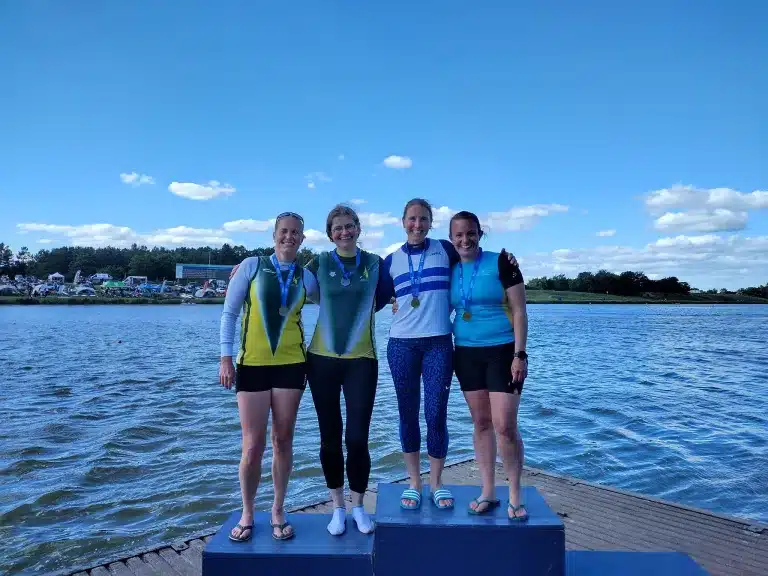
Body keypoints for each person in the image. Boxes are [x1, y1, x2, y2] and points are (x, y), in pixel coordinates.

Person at [381, 198, 518, 511]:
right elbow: (368, 298)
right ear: (403, 222)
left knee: (435, 413)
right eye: (412, 219)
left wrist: (508, 261)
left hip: (439, 344)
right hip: (401, 344)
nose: (417, 225)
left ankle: (436, 482)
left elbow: (476, 257)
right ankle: (414, 482)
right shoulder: (390, 261)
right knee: (407, 413)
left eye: (423, 219)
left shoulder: (445, 248)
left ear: (431, 222)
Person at [218, 211, 319, 542]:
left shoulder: (307, 277)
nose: (289, 237)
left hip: (292, 364)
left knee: (283, 440)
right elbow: (230, 313)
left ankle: (277, 508)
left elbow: (336, 299)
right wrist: (225, 359)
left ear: (303, 239)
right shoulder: (251, 266)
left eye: (296, 233)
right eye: (284, 231)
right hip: (252, 366)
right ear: (274, 235)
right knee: (252, 445)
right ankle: (248, 511)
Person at [304, 204, 390, 536]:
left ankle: (358, 507)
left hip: (361, 361)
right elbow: (295, 289)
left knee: (356, 438)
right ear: (330, 234)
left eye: (350, 225)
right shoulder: (318, 263)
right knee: (329, 437)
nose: (344, 232)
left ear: (358, 228)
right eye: (337, 228)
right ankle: (337, 507)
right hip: (321, 360)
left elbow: (388, 297)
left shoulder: (376, 264)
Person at [448, 210, 529, 521]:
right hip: (466, 353)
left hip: (503, 352)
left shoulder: (501, 262)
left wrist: (519, 355)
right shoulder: (451, 267)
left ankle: (515, 494)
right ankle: (488, 491)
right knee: (481, 424)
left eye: (471, 233)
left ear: (480, 234)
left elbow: (520, 311)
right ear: (452, 238)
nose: (465, 239)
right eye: (459, 235)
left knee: (505, 425)